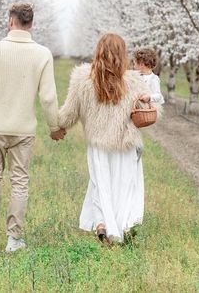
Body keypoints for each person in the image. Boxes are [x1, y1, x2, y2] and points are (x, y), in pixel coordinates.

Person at [0, 3, 65, 258]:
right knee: (20, 181)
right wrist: (54, 127)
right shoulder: (43, 54)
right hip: (24, 129)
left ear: (10, 22)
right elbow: (48, 97)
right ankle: (14, 238)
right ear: (31, 24)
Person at [58, 34, 161, 244]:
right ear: (123, 54)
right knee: (124, 186)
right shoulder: (134, 80)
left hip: (98, 144)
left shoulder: (82, 78)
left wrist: (57, 126)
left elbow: (68, 114)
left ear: (98, 51)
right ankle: (123, 227)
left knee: (100, 183)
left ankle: (103, 224)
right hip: (126, 143)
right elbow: (153, 112)